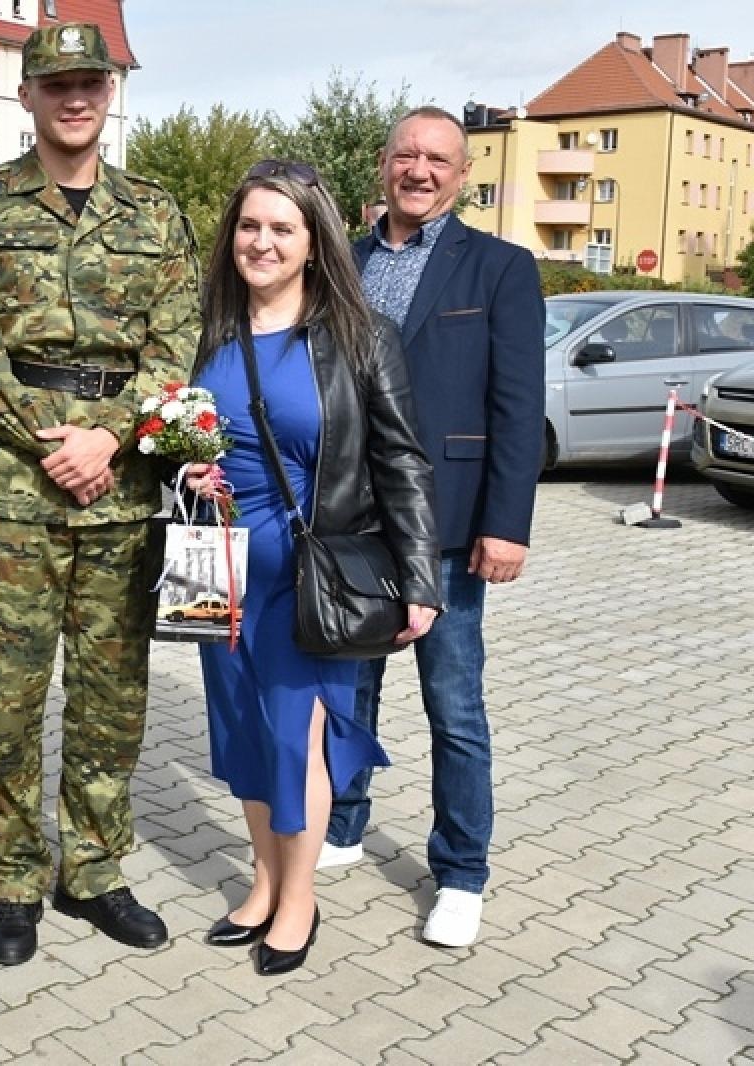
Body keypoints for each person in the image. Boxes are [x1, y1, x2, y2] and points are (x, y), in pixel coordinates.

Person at [0, 22, 201, 966]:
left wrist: (110, 436)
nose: (75, 97)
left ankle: (92, 870)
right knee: (8, 698)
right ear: (28, 96)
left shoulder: (157, 214)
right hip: (15, 491)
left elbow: (177, 348)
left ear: (109, 90)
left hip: (121, 493)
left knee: (110, 697)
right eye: (56, 83)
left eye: (90, 81)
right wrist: (53, 445)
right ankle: (12, 876)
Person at [180, 160, 440, 975]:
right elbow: (195, 434)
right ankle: (261, 883)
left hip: (309, 567)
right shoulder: (213, 331)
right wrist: (186, 468)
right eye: (249, 227)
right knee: (241, 735)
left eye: (280, 229)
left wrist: (421, 578)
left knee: (297, 736)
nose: (261, 242)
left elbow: (402, 459)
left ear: (313, 243)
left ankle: (300, 900)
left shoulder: (361, 336)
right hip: (213, 563)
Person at [323, 106, 546, 949]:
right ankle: (343, 823)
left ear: (463, 174)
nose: (420, 170)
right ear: (384, 163)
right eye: (406, 155)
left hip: (450, 530)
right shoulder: (340, 258)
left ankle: (461, 871)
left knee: (454, 706)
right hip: (350, 523)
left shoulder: (500, 268)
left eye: (438, 159)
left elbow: (518, 407)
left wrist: (507, 524)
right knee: (350, 692)